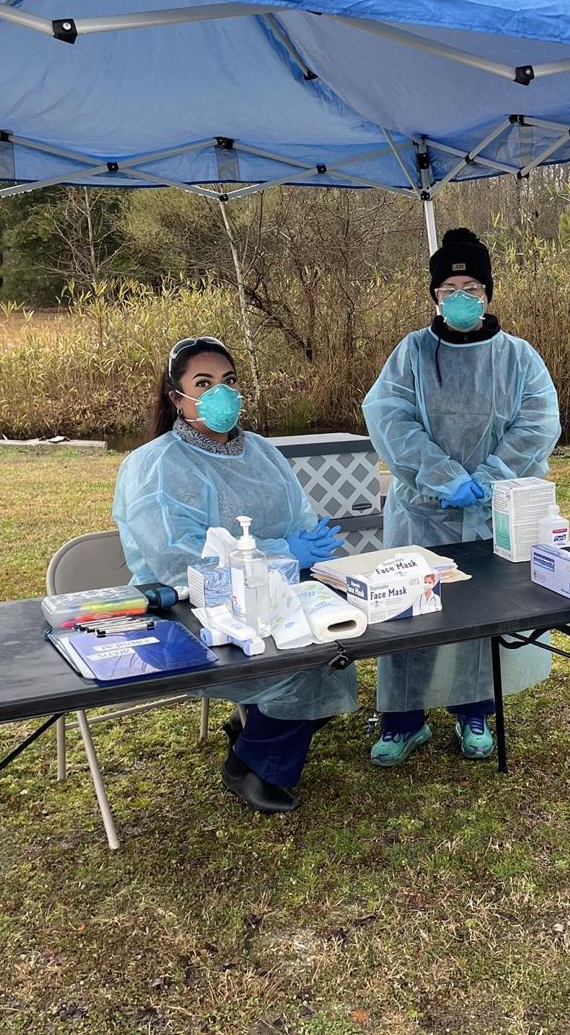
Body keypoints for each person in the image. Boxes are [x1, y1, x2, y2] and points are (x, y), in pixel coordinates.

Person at [113, 336, 347, 814]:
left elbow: (298, 514)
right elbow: (178, 559)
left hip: (276, 592)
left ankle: (255, 732)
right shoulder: (155, 465)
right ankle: (253, 765)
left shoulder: (261, 451)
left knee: (338, 647)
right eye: (204, 383)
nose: (221, 392)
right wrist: (285, 551)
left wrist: (310, 543)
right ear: (176, 398)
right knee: (301, 663)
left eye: (229, 381)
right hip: (191, 608)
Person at [362, 227, 562, 766]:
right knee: (409, 613)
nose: (461, 296)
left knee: (478, 612)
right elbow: (391, 420)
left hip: (490, 513)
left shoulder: (519, 359)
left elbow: (538, 424)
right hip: (421, 512)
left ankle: (474, 711)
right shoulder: (411, 355)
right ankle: (403, 719)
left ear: (489, 293)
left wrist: (492, 475)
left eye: (472, 286)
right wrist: (441, 475)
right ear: (434, 295)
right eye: (450, 286)